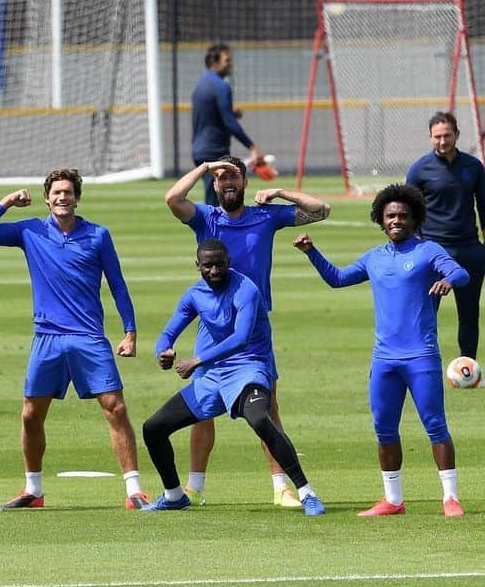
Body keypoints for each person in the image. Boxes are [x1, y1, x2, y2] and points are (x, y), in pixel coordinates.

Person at [0, 168, 149, 510]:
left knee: (116, 408)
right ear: (47, 197)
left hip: (89, 338)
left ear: (77, 198)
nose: (62, 197)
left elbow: (118, 284)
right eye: (56, 192)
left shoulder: (98, 235)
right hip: (47, 337)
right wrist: (7, 201)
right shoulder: (30, 230)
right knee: (30, 415)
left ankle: (134, 490)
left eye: (68, 192)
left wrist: (130, 332)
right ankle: (33, 490)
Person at [165, 155, 330, 507]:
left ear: (244, 184)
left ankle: (280, 486)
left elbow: (321, 210)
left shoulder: (265, 217)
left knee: (266, 403)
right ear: (214, 183)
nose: (226, 182)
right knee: (201, 405)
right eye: (220, 177)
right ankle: (195, 487)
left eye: (233, 176)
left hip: (253, 326)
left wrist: (281, 191)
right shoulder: (206, 218)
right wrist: (205, 167)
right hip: (212, 323)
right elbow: (172, 199)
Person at [295, 184, 468, 517]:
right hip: (385, 359)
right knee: (384, 428)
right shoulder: (374, 258)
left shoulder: (429, 251)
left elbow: (459, 272)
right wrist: (311, 252)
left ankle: (450, 498)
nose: (397, 221)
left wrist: (448, 281)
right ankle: (393, 500)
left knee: (435, 425)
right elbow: (338, 278)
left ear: (415, 219)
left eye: (403, 215)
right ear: (381, 218)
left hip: (421, 355)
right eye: (391, 216)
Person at [141, 239, 325, 515]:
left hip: (248, 367)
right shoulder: (194, 295)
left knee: (260, 418)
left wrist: (198, 360)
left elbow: (241, 338)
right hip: (214, 377)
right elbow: (168, 333)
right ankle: (174, 495)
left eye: (220, 264)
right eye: (208, 265)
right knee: (152, 428)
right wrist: (162, 353)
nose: (214, 270)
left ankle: (307, 493)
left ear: (229, 263)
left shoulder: (245, 289)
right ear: (198, 266)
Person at [406, 111, 485, 359]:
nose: (442, 141)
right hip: (432, 252)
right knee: (427, 314)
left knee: (470, 313)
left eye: (447, 136)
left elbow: (484, 207)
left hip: (469, 250)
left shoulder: (473, 167)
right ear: (430, 137)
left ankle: (468, 369)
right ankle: (420, 364)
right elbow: (407, 211)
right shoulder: (419, 170)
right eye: (437, 137)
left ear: (457, 135)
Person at [190, 43, 263, 205]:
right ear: (214, 62)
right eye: (227, 60)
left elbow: (211, 114)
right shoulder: (221, 86)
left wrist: (230, 112)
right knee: (216, 204)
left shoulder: (201, 84)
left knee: (216, 201)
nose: (230, 64)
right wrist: (252, 147)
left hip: (200, 149)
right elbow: (229, 122)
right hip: (213, 149)